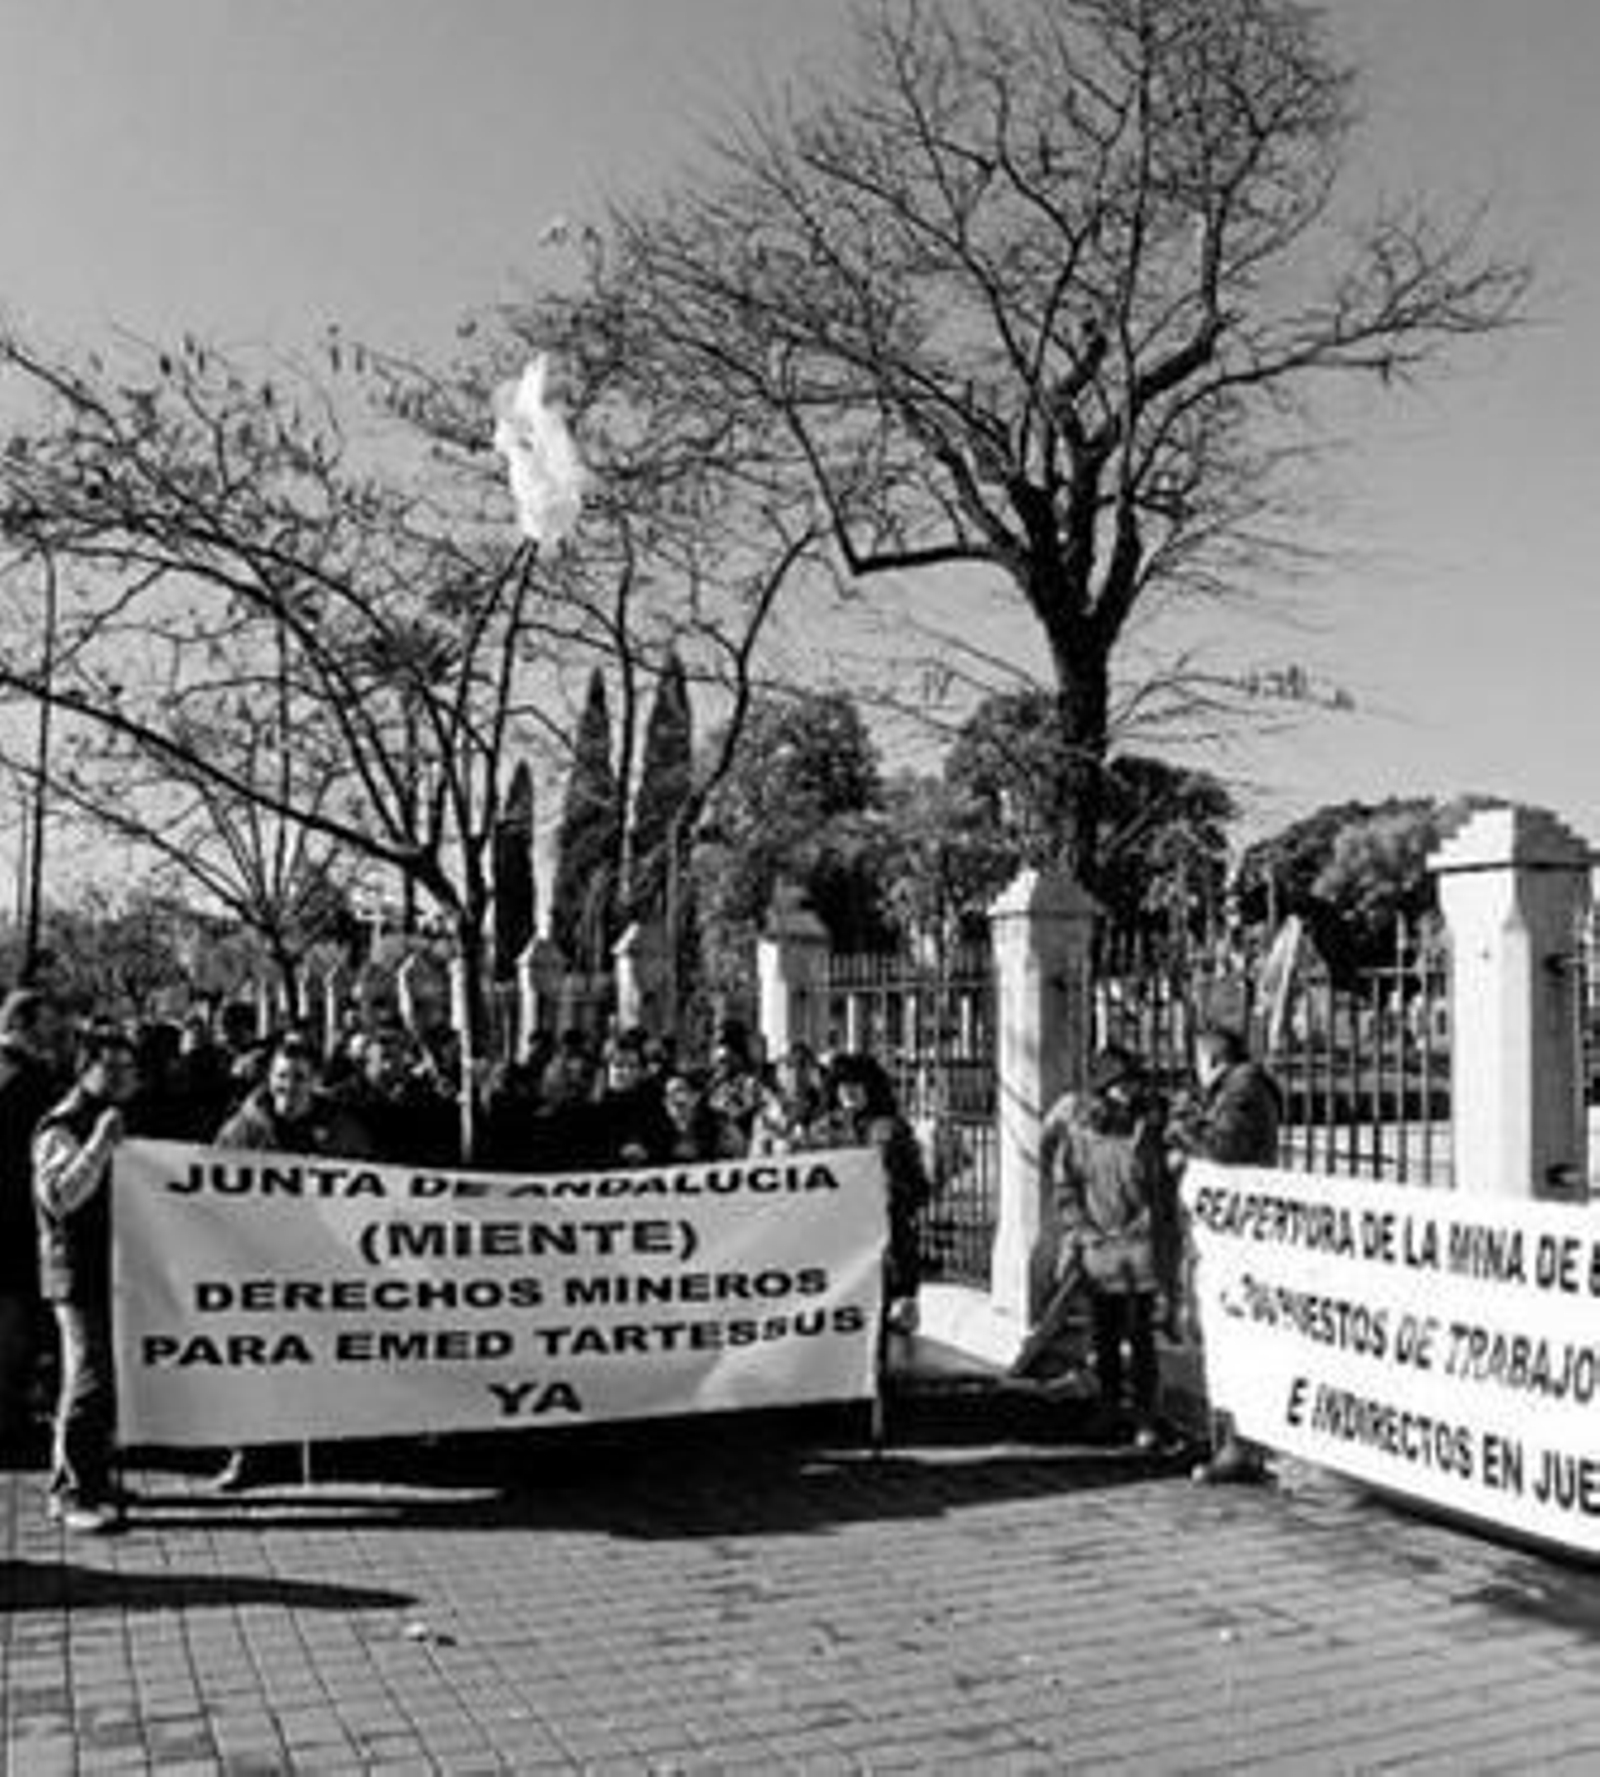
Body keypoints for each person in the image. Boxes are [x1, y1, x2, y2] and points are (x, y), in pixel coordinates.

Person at [209, 1036, 338, 1491]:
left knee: (318, 1363)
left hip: (320, 1266)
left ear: (316, 1082)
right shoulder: (239, 1132)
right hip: (256, 1267)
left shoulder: (342, 1131)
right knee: (255, 1364)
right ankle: (247, 1456)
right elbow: (212, 1192)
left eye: (300, 1078)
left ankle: (321, 1455)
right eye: (282, 1077)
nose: (290, 1087)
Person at [33, 1024, 140, 1532]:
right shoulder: (63, 1124)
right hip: (75, 1270)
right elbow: (59, 1197)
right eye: (111, 1068)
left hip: (108, 1268)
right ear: (86, 1068)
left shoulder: (105, 1117)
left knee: (101, 1379)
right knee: (86, 1378)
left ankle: (91, 1476)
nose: (122, 1078)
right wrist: (97, 1146)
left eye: (128, 1069)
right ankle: (71, 1492)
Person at [1176, 1023, 1284, 1485]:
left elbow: (1225, 1146)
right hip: (1226, 1237)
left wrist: (1182, 1132)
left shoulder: (1242, 1092)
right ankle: (1227, 1441)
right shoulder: (1237, 1089)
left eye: (1198, 1064)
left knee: (1231, 1338)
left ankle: (1239, 1447)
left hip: (1239, 1242)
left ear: (1211, 1059)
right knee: (1219, 1336)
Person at [1047, 1045, 1168, 1449]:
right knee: (1105, 1337)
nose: (1128, 1093)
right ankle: (1109, 1405)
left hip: (1140, 1249)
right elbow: (1066, 1187)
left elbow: (1160, 1189)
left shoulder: (1147, 1129)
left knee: (1141, 1337)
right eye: (1120, 1086)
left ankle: (1146, 1415)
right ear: (1103, 1089)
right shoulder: (1081, 1132)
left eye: (1132, 1084)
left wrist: (1141, 1229)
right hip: (1099, 1249)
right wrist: (1082, 1231)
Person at [811, 1052, 930, 1334]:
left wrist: (893, 1192)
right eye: (843, 1085)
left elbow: (918, 1185)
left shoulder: (893, 1129)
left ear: (871, 1087)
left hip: (886, 1241)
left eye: (857, 1084)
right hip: (836, 1242)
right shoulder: (820, 1131)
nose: (849, 1091)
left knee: (881, 1325)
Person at [0, 989, 64, 1467]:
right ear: (23, 1024)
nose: (55, 1031)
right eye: (46, 1023)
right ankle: (9, 1421)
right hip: (18, 1221)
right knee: (14, 1327)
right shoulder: (32, 1079)